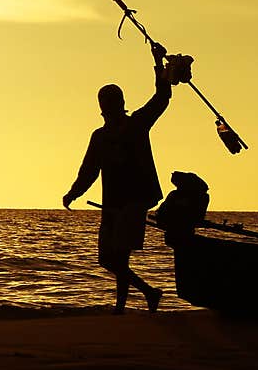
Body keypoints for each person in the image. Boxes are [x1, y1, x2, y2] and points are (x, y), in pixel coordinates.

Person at [62, 41, 176, 314]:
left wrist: (158, 63)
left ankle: (121, 308)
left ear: (119, 103)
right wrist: (73, 192)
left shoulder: (137, 124)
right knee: (107, 258)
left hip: (134, 202)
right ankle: (149, 292)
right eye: (105, 103)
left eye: (112, 102)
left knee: (120, 256)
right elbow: (88, 170)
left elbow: (162, 98)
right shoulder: (99, 137)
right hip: (111, 205)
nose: (108, 107)